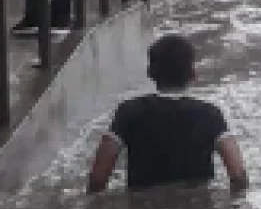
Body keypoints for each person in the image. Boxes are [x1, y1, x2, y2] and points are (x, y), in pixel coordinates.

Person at [87, 34, 248, 194]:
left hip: (144, 207)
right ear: (192, 73)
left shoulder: (128, 112)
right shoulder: (211, 115)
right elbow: (238, 175)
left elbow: (98, 179)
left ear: (150, 72)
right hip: (197, 207)